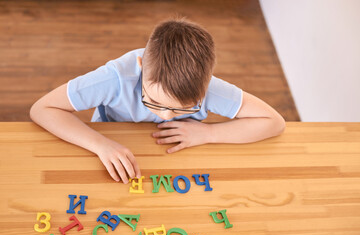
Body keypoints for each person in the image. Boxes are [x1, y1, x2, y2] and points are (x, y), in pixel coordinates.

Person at [30, 17, 286, 184]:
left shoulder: (208, 88)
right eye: (152, 101)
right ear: (140, 68)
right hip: (112, 146)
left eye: (182, 109)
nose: (165, 116)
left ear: (206, 85)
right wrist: (101, 145)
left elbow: (273, 122)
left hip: (174, 158)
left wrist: (208, 134)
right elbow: (43, 109)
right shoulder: (116, 78)